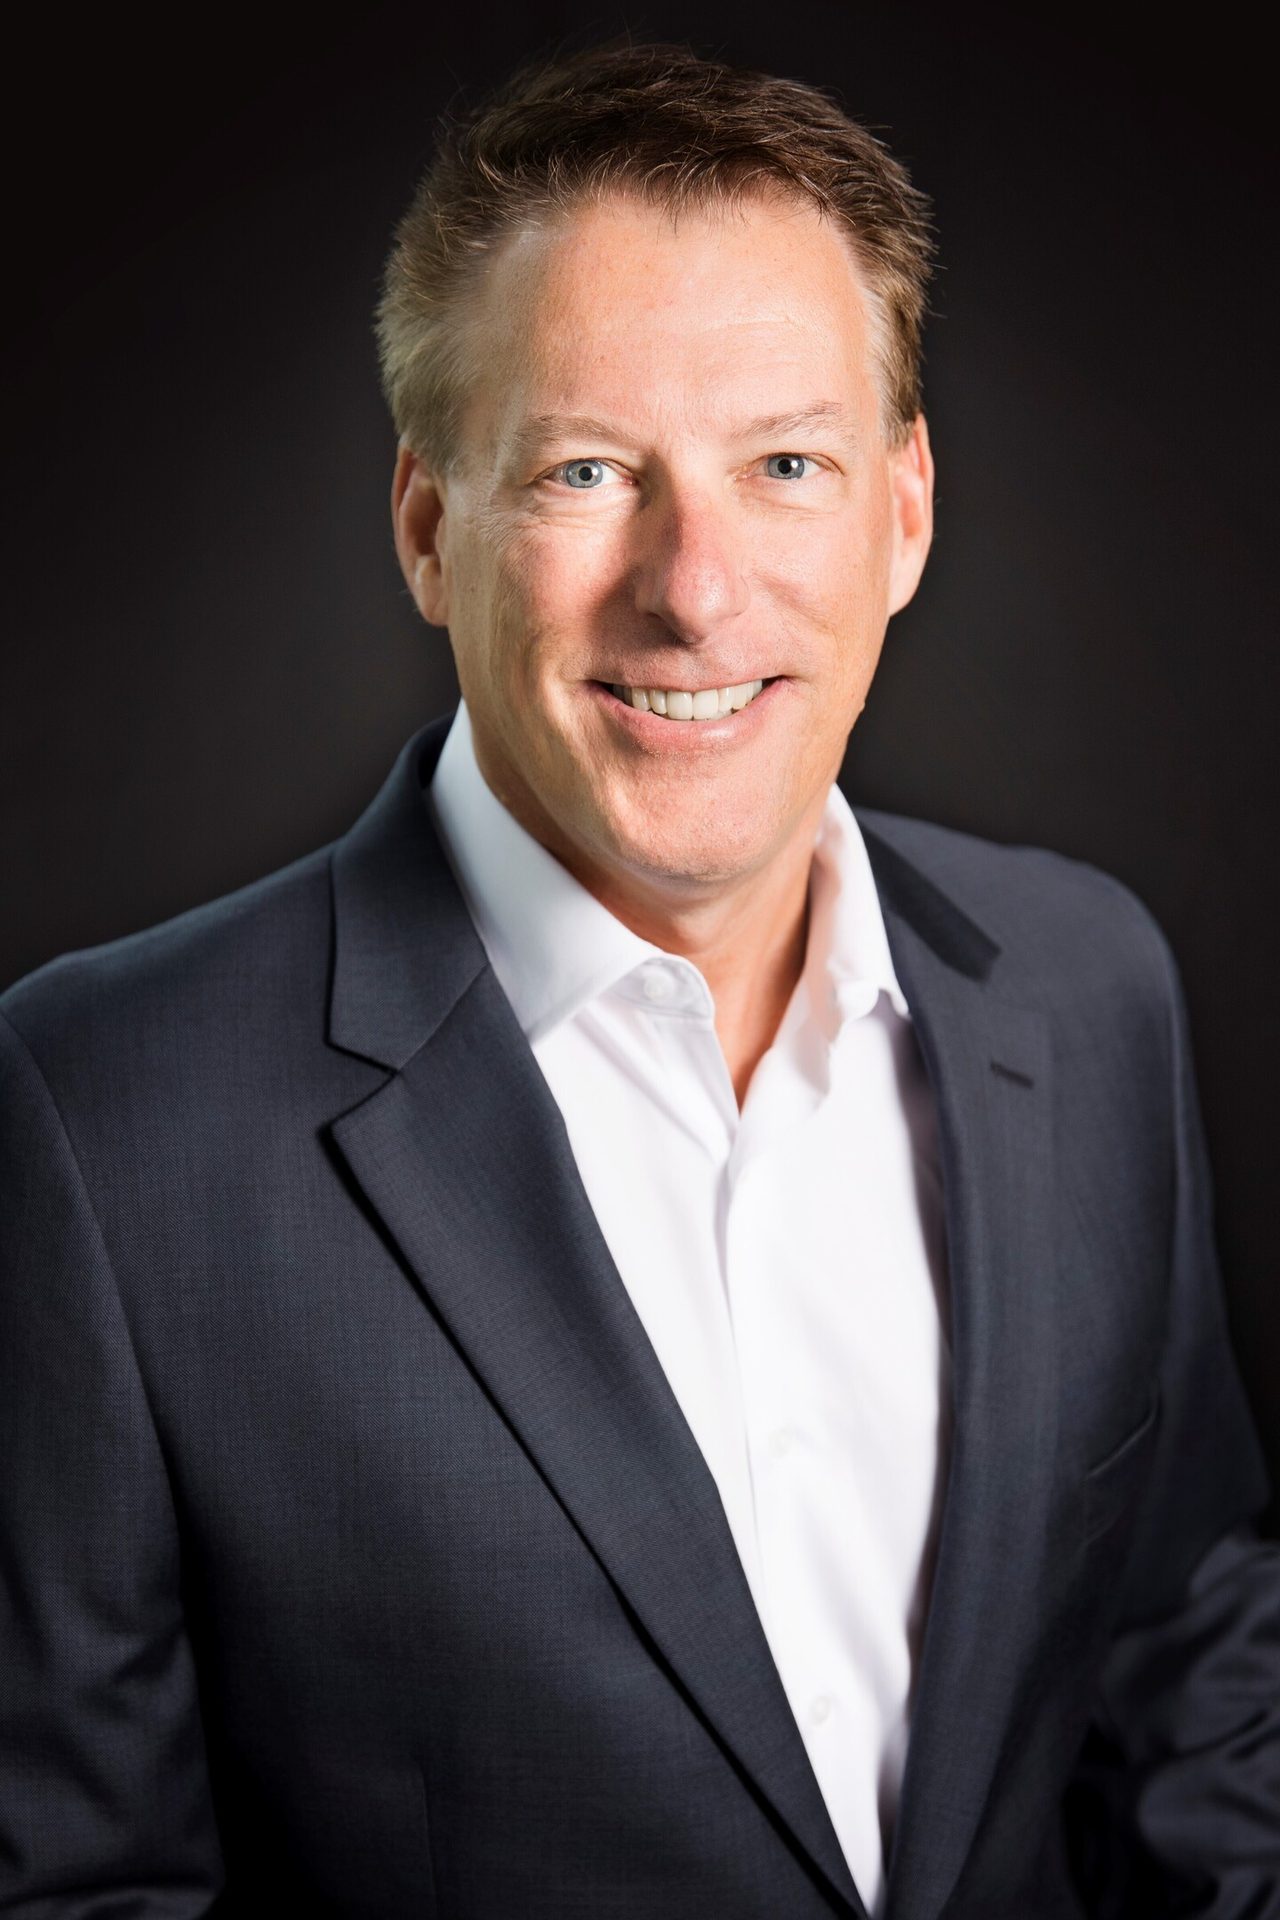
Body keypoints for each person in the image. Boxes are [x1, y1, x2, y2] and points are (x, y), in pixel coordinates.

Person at [1, 37, 1276, 1920]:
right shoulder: (102, 1121)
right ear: (432, 529)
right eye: (592, 469)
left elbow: (1196, 1668)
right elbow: (72, 1888)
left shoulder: (1090, 988)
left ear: (904, 513)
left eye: (787, 464)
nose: (695, 588)